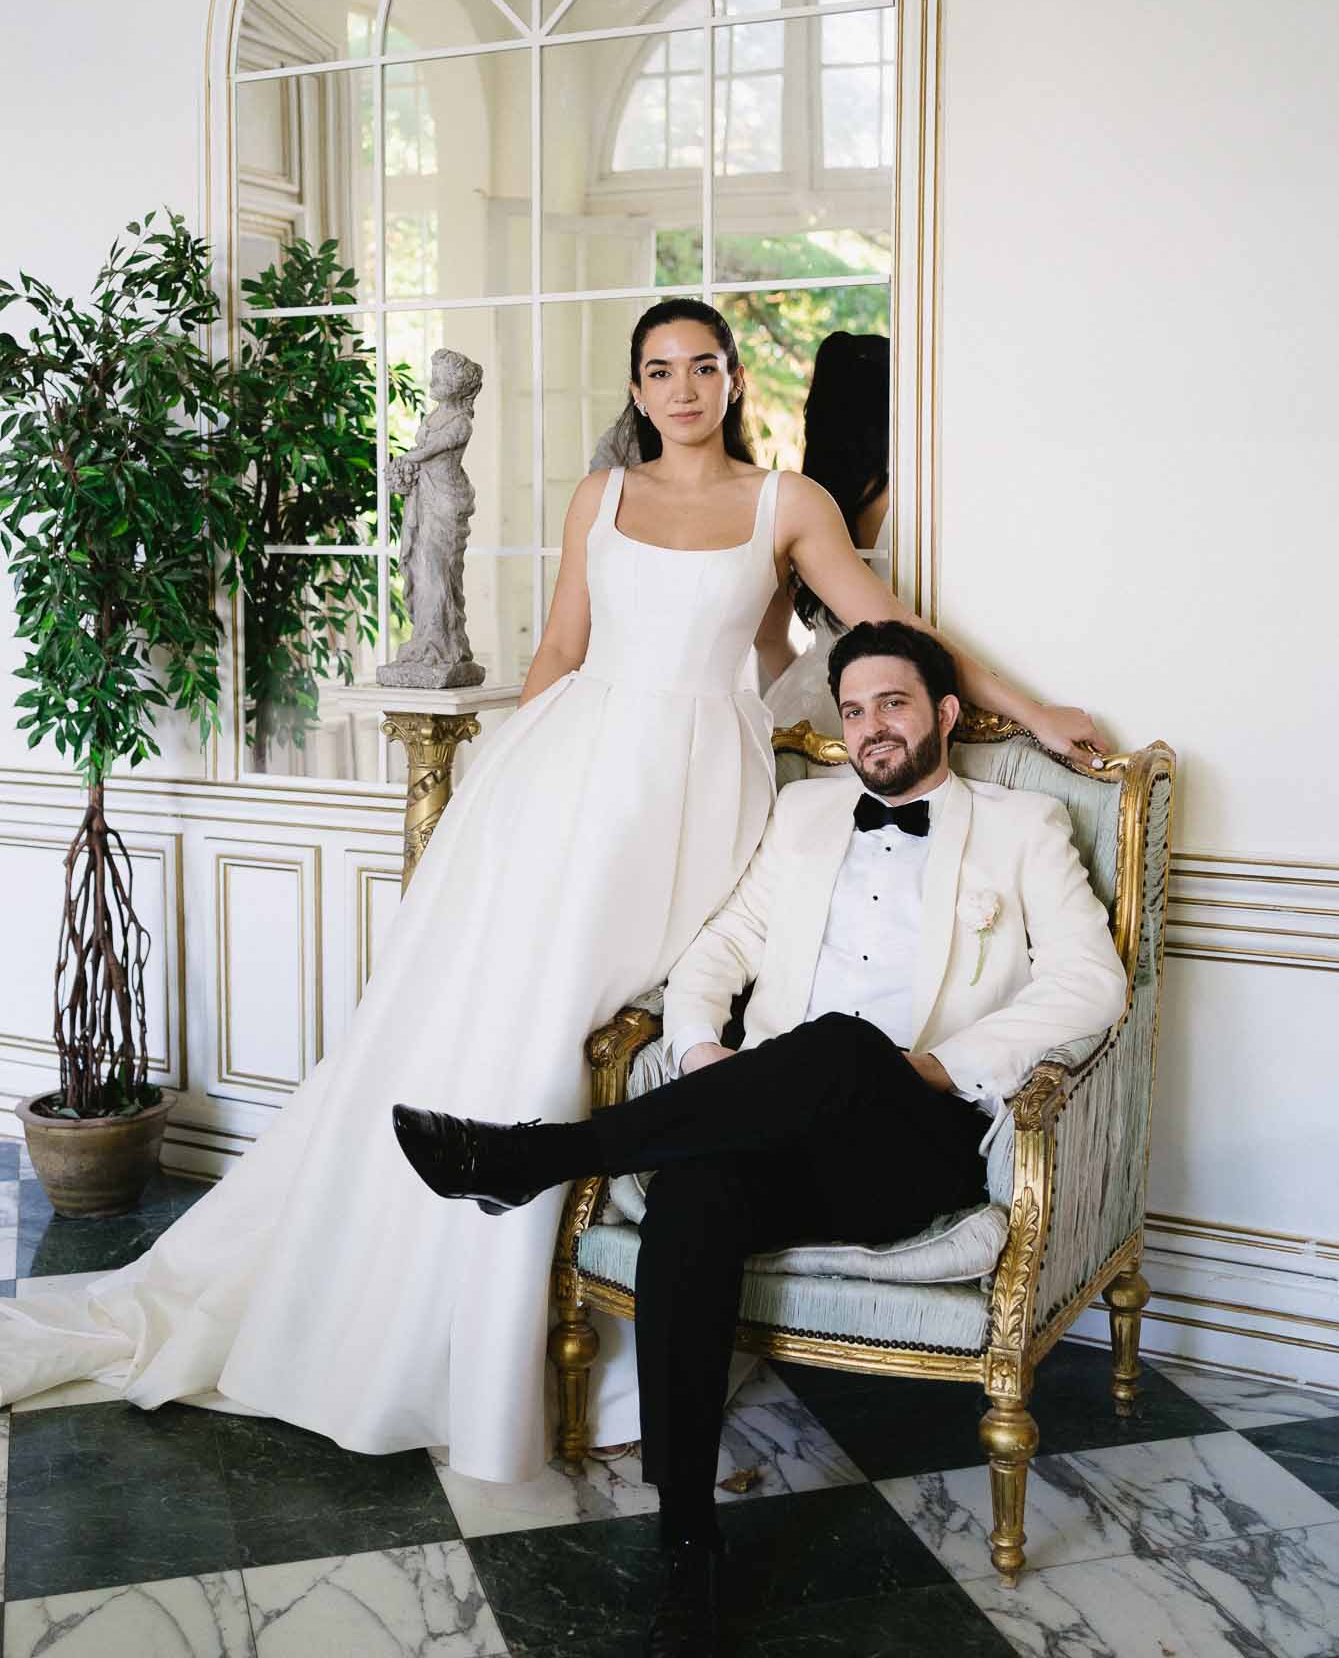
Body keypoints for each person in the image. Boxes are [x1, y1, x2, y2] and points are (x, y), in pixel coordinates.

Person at [0, 299, 1104, 1482]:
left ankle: (539, 1249)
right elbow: (561, 652)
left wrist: (1033, 710)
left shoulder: (788, 503)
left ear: (735, 380)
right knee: (505, 1013)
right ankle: (441, 1293)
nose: (682, 388)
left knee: (589, 1023)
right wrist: (505, 782)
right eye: (658, 370)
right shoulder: (603, 496)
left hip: (691, 790)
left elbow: (891, 629)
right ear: (636, 388)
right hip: (568, 776)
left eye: (703, 367)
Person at [393, 619, 1129, 1654]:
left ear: (945, 714)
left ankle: (540, 1156)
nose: (871, 727)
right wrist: (700, 1050)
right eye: (855, 709)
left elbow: (1093, 983)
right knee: (694, 1196)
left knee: (842, 1044)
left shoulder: (1023, 824)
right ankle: (688, 1544)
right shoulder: (806, 810)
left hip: (914, 1138)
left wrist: (940, 1064)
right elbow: (723, 942)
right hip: (778, 1121)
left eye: (894, 704)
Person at [757, 330, 891, 733]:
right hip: (892, 701)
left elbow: (768, 639)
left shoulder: (799, 505)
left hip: (806, 701)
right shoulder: (919, 506)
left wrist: (811, 682)